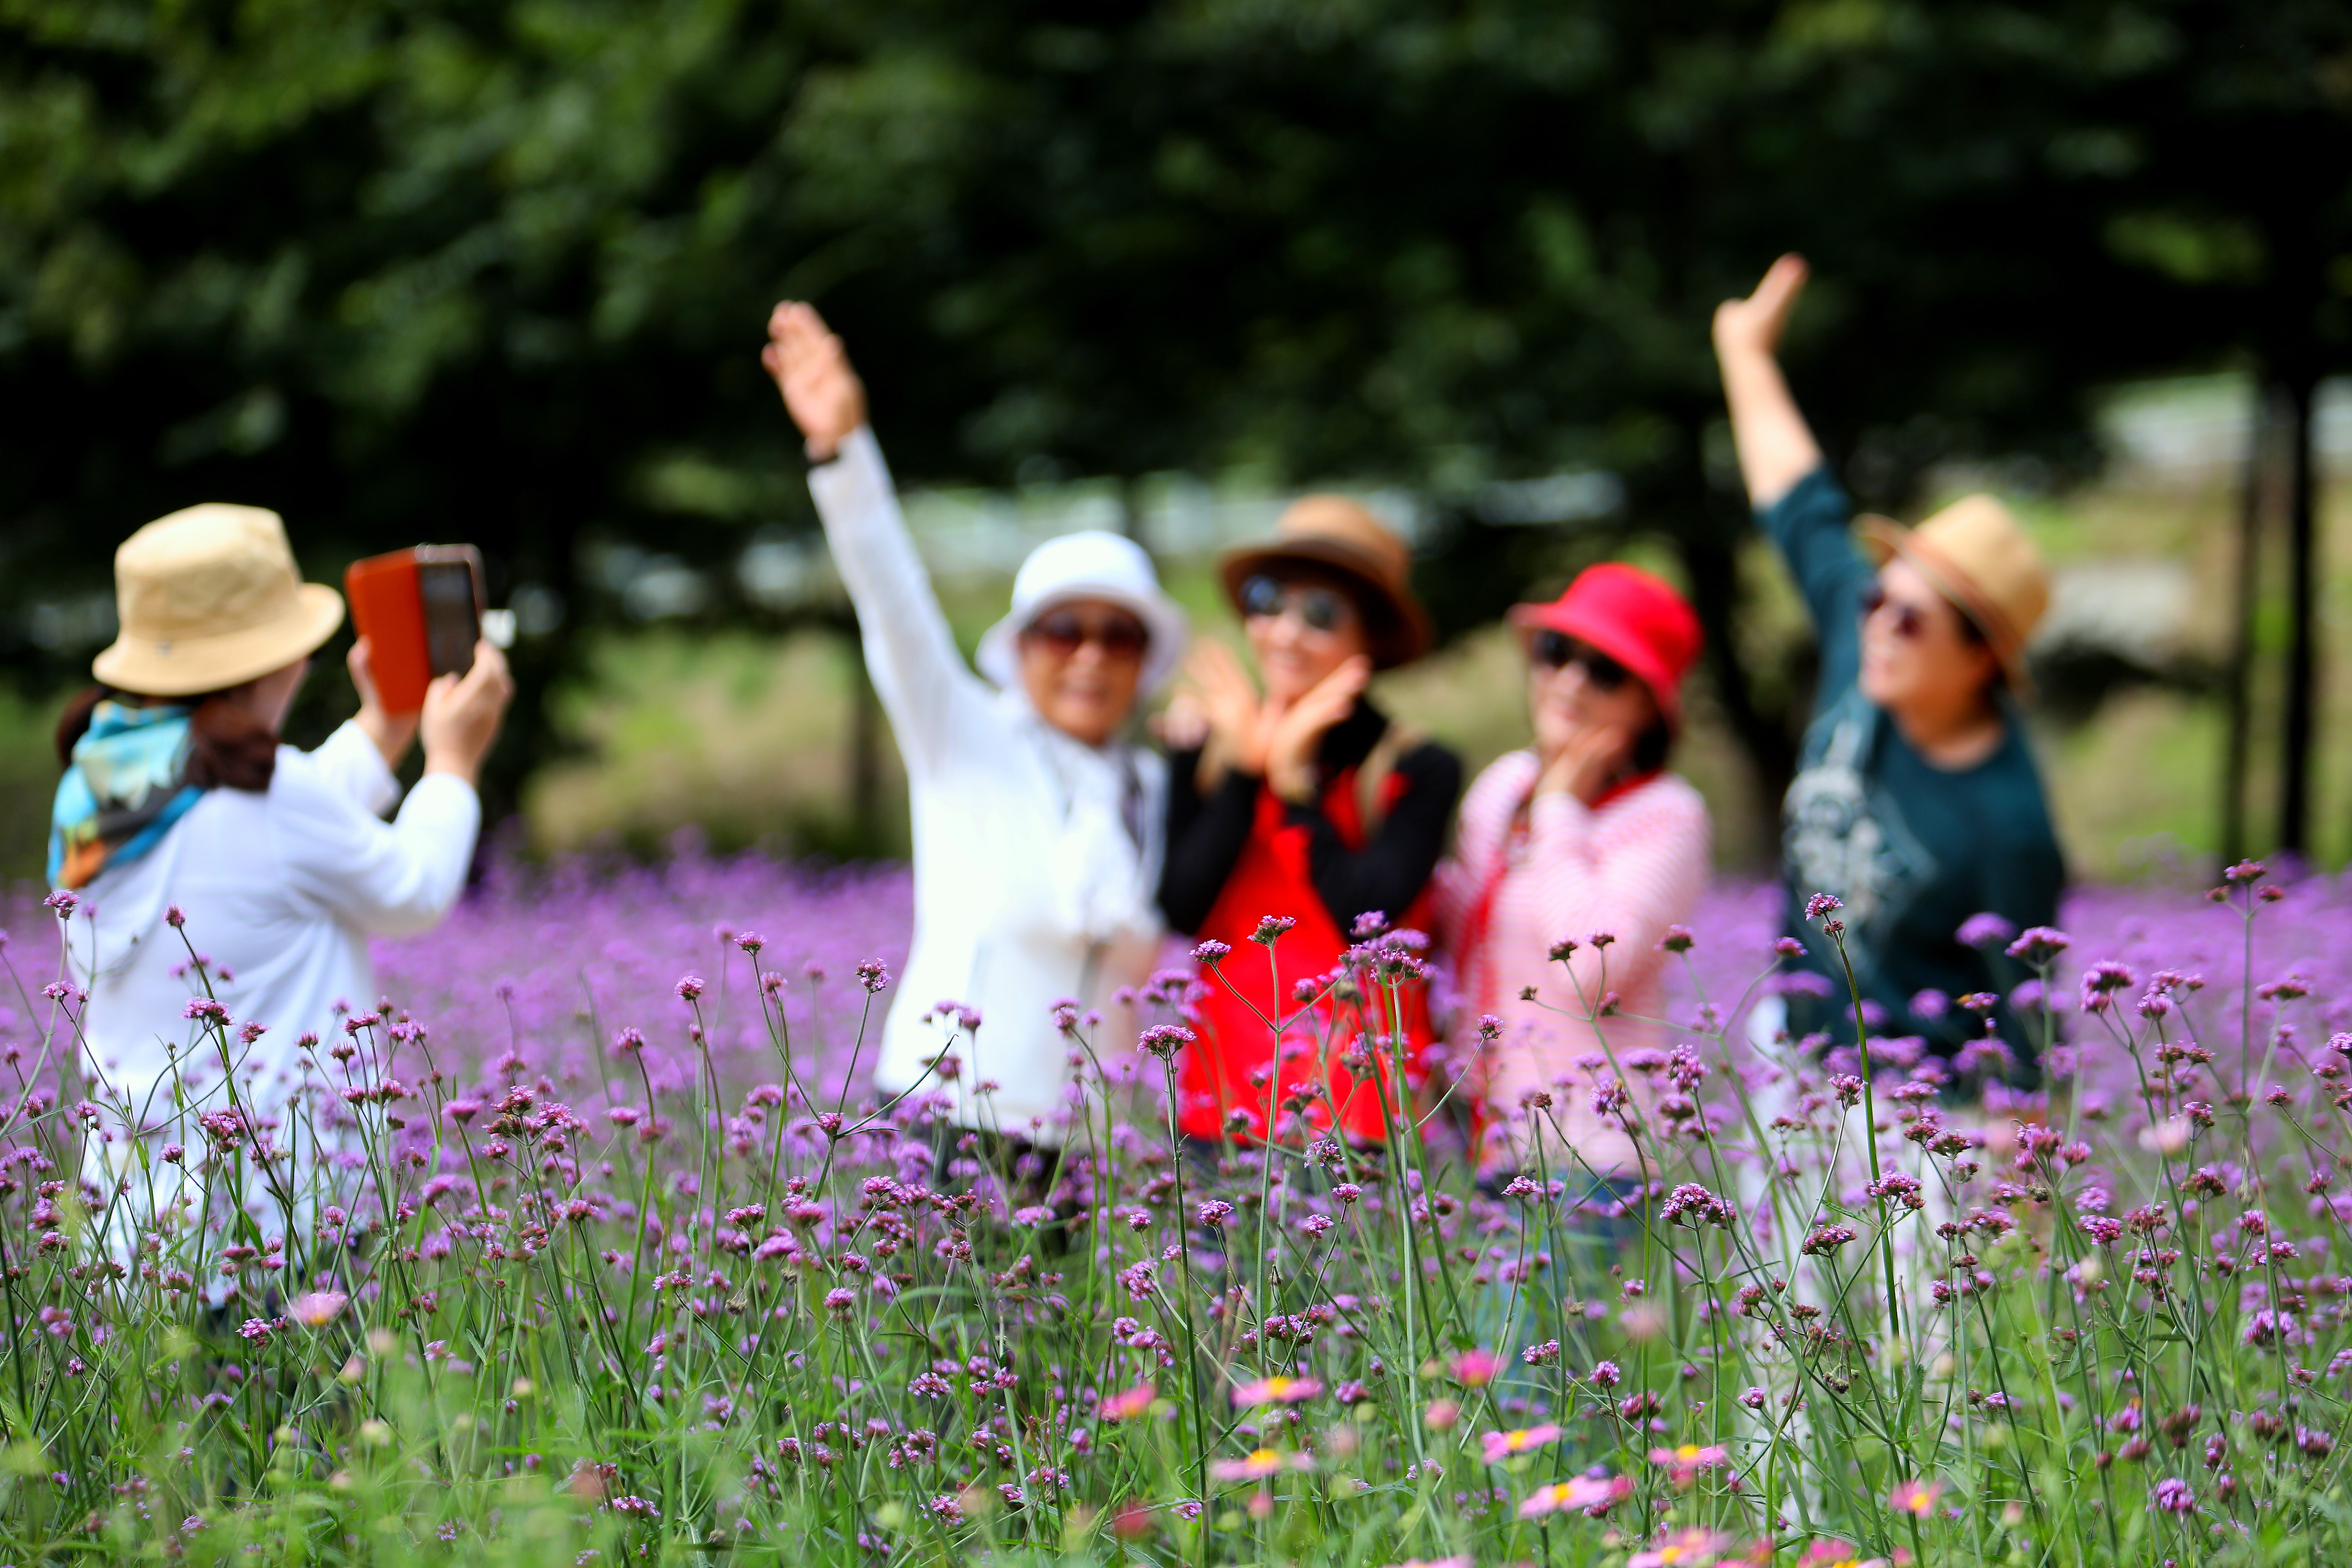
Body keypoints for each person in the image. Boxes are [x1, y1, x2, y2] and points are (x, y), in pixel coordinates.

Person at [761, 302, 1187, 1152]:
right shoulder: (966, 735)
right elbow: (895, 605)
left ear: (1145, 661)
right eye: (1063, 631)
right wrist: (844, 453)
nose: (1090, 656)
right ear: (1021, 646)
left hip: (1084, 1155)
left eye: (1120, 636)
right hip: (943, 1120)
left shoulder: (1157, 786)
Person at [52, 502, 510, 1232]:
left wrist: (386, 724)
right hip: (276, 1227)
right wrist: (454, 761)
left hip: (134, 1231)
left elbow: (272, 837)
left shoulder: (98, 787)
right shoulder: (271, 798)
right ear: (273, 663)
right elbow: (414, 892)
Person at [1713, 255, 2063, 1068]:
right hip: (1793, 1065)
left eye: (1910, 618)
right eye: (1877, 598)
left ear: (1980, 660)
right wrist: (1744, 353)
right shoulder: (1864, 649)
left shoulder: (2009, 829)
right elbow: (1799, 503)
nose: (1877, 624)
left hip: (1917, 1115)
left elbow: (2026, 1031)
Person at [1159, 498, 1463, 1148]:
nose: (1286, 633)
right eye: (1268, 602)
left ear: (1369, 637)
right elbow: (1181, 907)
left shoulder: (1416, 765)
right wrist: (1246, 773)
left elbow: (1364, 918)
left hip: (1355, 1119)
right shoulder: (1206, 746)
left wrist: (1296, 785)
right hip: (1220, 1113)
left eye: (1321, 614)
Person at [1434, 565, 1712, 1178]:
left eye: (1605, 670)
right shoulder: (1504, 784)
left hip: (1592, 1158)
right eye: (1557, 651)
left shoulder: (1666, 813)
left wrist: (1559, 809)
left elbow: (1590, 972)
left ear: (1649, 704)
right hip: (1484, 1141)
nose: (1570, 681)